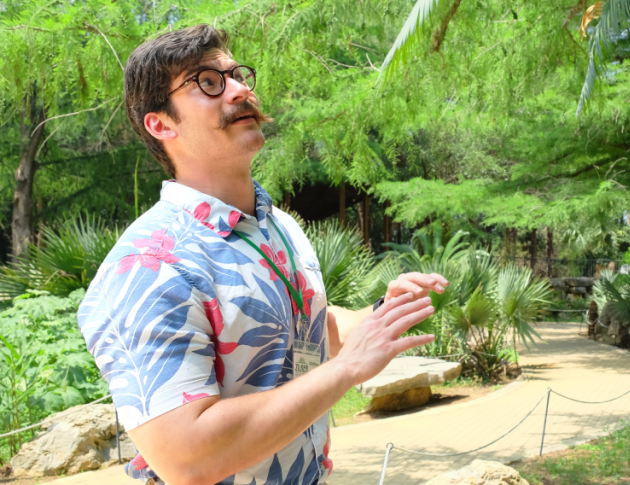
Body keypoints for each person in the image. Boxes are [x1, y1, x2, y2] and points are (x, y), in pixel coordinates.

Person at [77, 24, 447, 485]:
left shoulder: (277, 225)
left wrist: (382, 315)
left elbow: (313, 328)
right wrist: (348, 371)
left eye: (238, 75)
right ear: (161, 123)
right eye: (208, 82)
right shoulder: (147, 265)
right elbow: (186, 459)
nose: (239, 89)